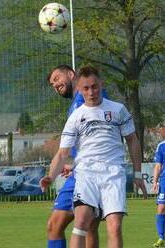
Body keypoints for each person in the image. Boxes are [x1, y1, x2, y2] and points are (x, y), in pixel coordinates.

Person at [40, 66, 147, 248]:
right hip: (86, 174)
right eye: (86, 88)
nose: (91, 91)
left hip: (112, 174)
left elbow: (132, 140)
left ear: (101, 85)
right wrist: (51, 175)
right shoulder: (76, 115)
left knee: (112, 227)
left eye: (94, 87)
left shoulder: (117, 110)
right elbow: (62, 152)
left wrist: (138, 174)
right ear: (80, 88)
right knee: (81, 223)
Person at [45, 64, 108, 248]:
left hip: (93, 173)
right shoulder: (75, 105)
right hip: (78, 172)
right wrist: (73, 165)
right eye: (52, 84)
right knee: (57, 226)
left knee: (86, 226)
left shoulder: (87, 97)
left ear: (71, 75)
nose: (55, 85)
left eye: (57, 79)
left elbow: (102, 134)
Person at [152, 122, 165, 248]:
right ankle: (161, 237)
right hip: (164, 181)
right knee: (161, 208)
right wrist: (155, 181)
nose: (161, 132)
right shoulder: (161, 146)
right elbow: (158, 165)